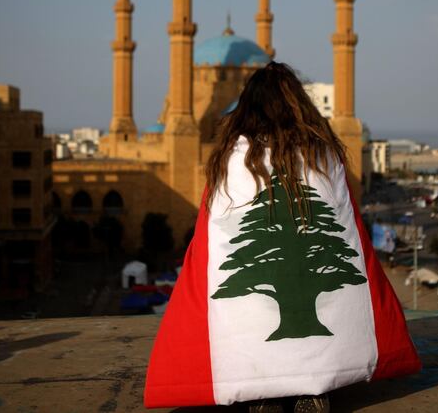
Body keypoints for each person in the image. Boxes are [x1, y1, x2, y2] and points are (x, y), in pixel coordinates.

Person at [144, 62, 420, 412]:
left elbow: (211, 236)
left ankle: (267, 388)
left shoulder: (231, 158)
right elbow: (350, 230)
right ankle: (312, 387)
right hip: (318, 306)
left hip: (250, 314)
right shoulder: (324, 155)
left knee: (252, 315)